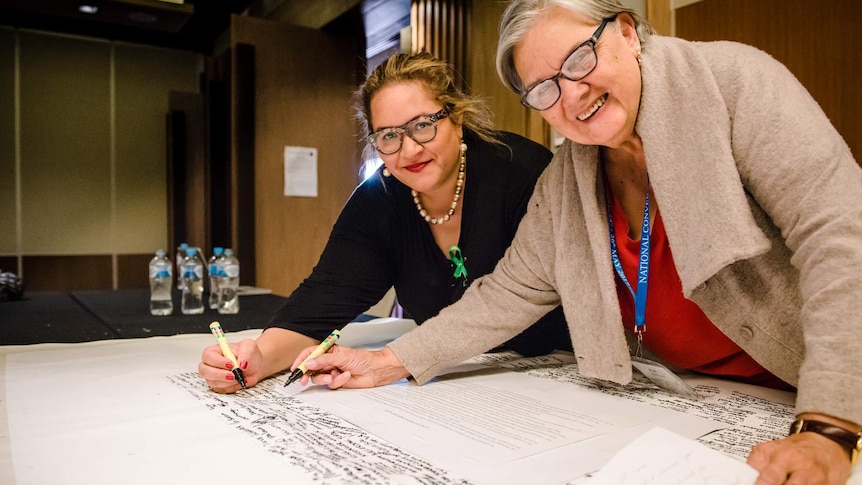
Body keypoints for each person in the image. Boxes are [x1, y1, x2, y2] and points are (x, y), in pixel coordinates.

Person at [291, 1, 862, 484]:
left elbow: (840, 234)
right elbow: (509, 292)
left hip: (825, 393)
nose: (570, 94)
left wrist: (828, 425)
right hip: (707, 402)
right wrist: (390, 361)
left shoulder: (734, 84)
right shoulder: (568, 176)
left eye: (578, 59)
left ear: (628, 32)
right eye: (543, 88)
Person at [197, 52, 572, 394]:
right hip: (451, 386)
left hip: (559, 377)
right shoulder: (379, 200)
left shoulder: (521, 173)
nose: (409, 149)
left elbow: (525, 296)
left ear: (457, 119)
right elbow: (319, 305)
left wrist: (389, 362)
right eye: (389, 136)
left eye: (423, 125)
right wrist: (259, 357)